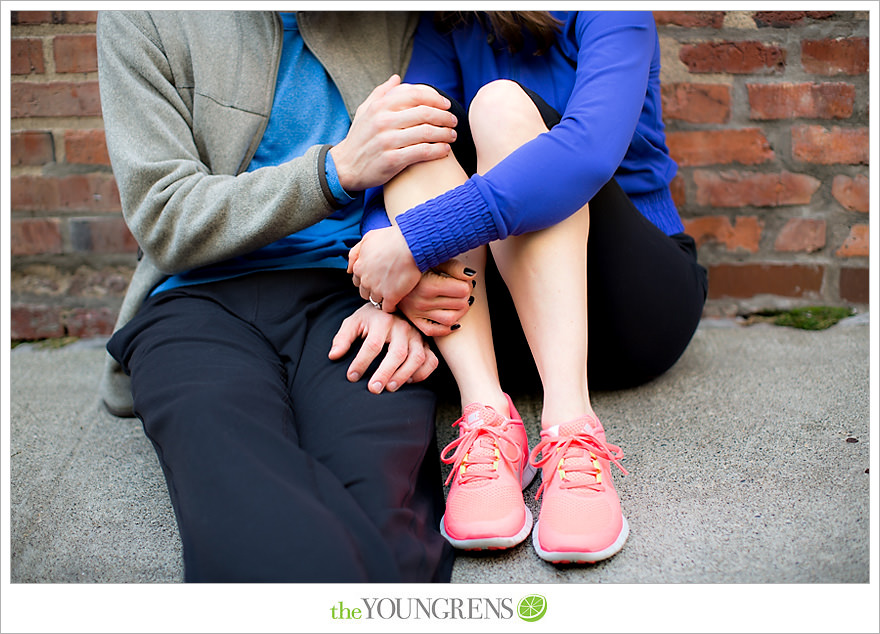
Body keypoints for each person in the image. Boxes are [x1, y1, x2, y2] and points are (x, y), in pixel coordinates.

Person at [95, 10, 469, 582]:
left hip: (352, 299)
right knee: (236, 477)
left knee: (384, 507)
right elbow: (164, 216)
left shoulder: (398, 18)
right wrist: (336, 169)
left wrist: (400, 294)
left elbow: (436, 171)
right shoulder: (143, 18)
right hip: (198, 301)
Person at [348, 11, 709, 564]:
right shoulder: (450, 24)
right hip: (501, 323)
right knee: (414, 127)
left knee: (501, 106)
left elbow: (588, 151)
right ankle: (488, 419)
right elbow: (394, 149)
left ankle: (572, 429)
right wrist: (387, 285)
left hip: (631, 305)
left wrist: (416, 241)